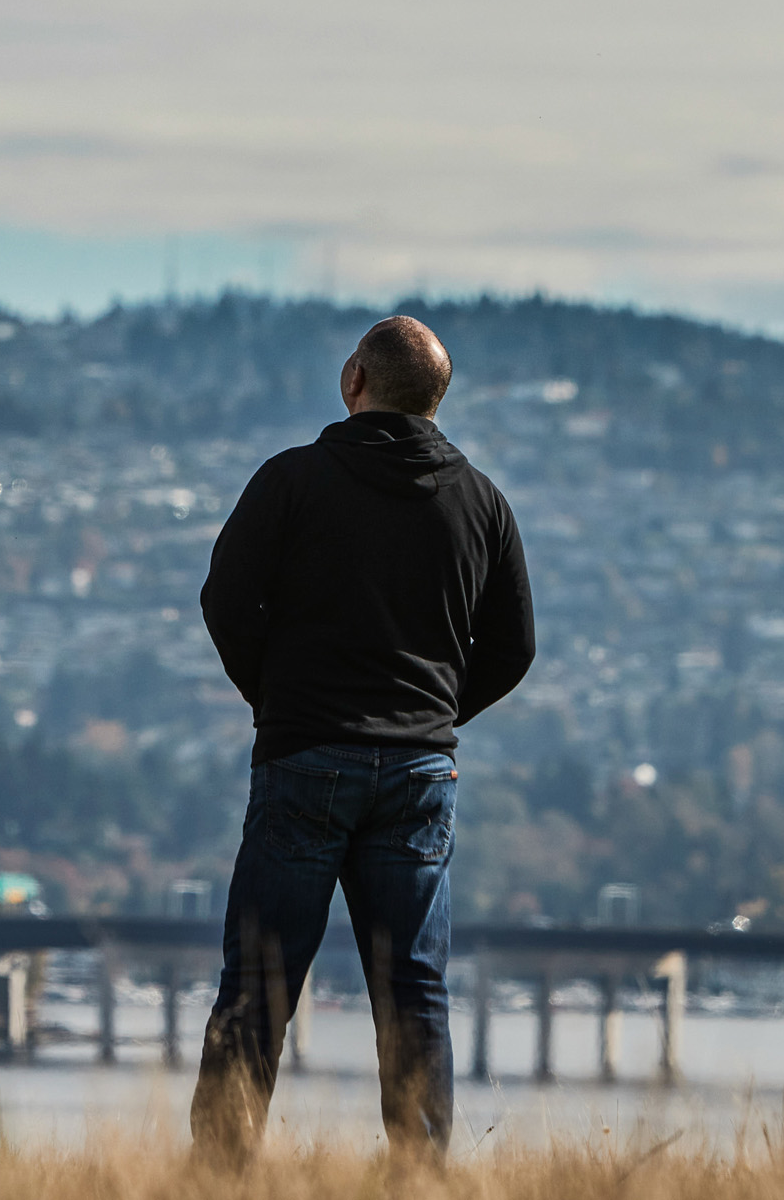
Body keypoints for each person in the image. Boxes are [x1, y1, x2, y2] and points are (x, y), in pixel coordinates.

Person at [189, 315, 535, 1161]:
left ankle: (217, 1176)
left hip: (305, 758)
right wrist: (436, 715)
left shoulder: (291, 482)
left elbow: (225, 603)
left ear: (354, 379)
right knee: (414, 990)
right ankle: (419, 1176)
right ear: (438, 399)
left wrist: (276, 701)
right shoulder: (483, 502)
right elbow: (515, 648)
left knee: (259, 989)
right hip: (421, 774)